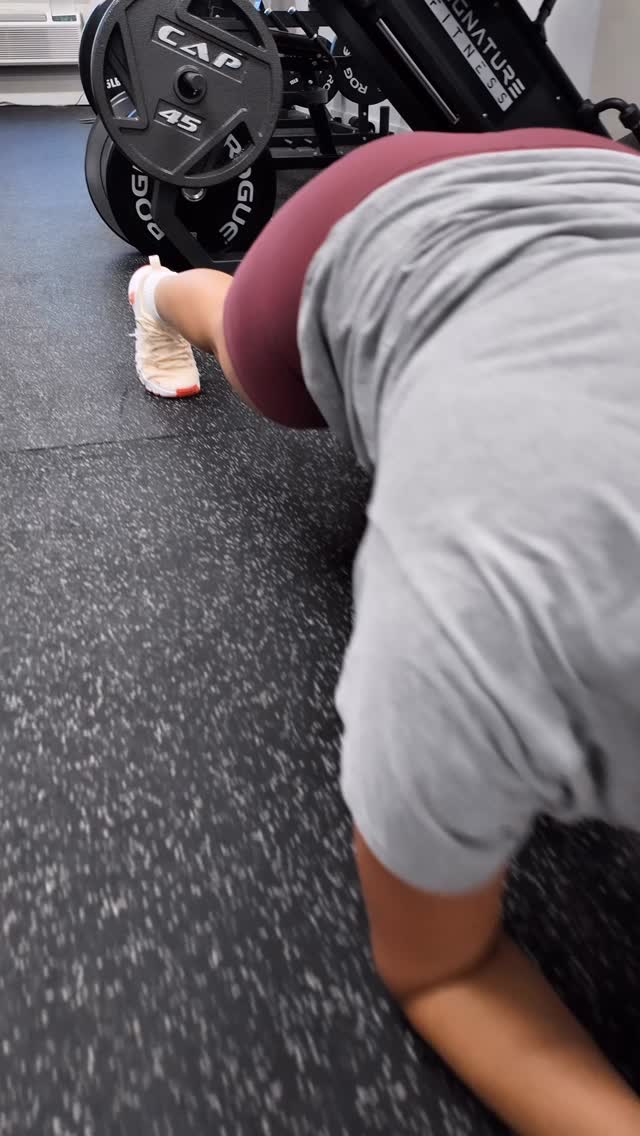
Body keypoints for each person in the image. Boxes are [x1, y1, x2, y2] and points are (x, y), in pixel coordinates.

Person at [127, 127, 640, 1134]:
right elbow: (442, 965)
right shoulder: (481, 636)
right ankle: (156, 290)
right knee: (262, 362)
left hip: (604, 173)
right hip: (364, 219)